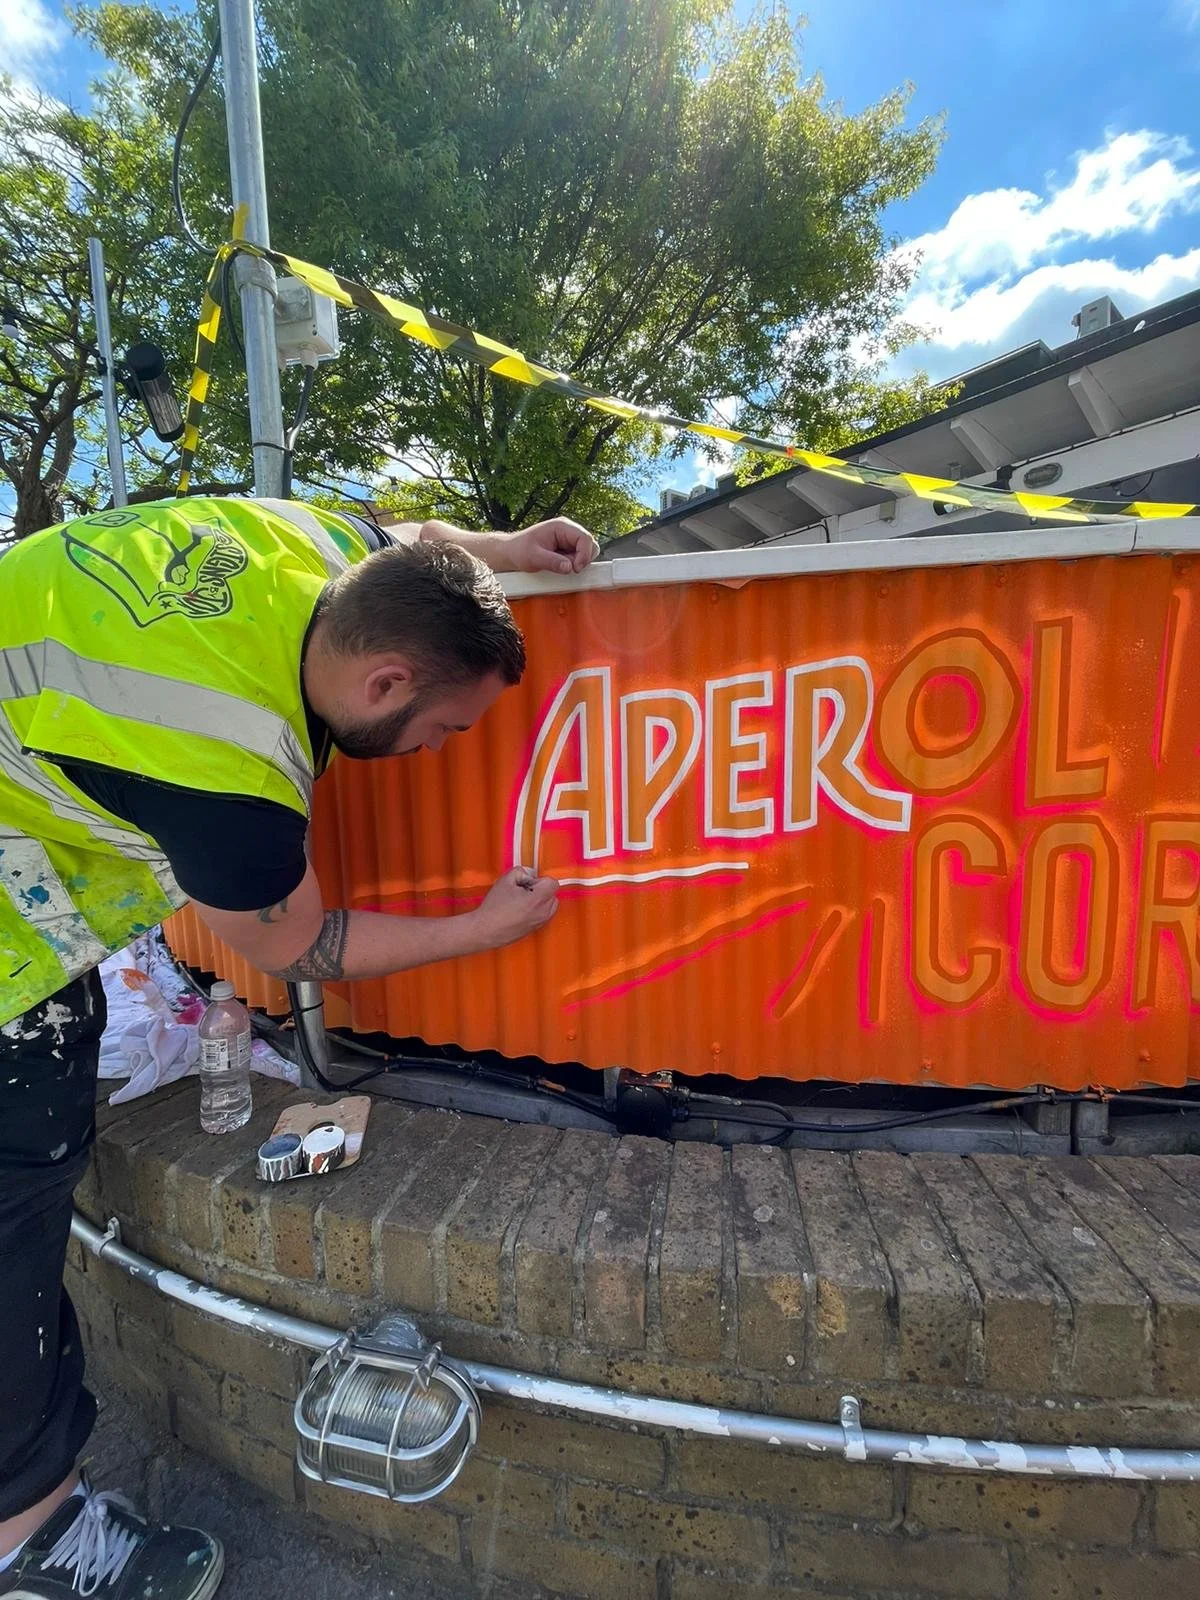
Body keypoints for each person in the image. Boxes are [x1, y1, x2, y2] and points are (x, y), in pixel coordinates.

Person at [0, 494, 598, 1598]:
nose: (441, 751)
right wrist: (484, 927)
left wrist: (507, 551)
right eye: (448, 728)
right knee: (12, 1199)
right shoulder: (231, 775)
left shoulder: (311, 547)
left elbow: (412, 542)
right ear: (386, 684)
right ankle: (27, 1539)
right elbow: (303, 943)